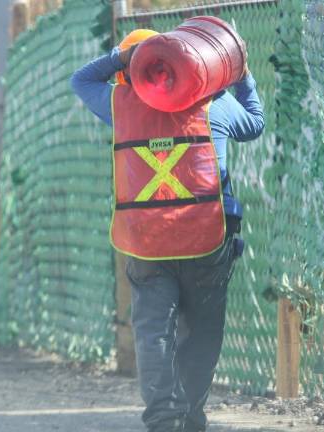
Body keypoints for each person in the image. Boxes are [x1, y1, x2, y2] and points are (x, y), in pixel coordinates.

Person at [71, 26, 264, 432]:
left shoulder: (118, 104)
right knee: (204, 328)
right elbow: (257, 122)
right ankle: (190, 416)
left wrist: (121, 60)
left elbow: (81, 79)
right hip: (207, 238)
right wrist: (241, 72)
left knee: (152, 331)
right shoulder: (217, 105)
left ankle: (162, 418)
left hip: (147, 242)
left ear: (133, 69)